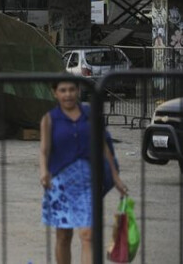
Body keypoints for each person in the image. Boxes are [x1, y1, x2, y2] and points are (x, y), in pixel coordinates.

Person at [39, 79, 127, 264]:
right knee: (63, 236)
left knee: (87, 234)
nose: (68, 94)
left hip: (88, 182)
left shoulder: (90, 115)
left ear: (78, 91)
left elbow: (103, 146)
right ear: (55, 93)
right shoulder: (49, 119)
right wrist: (44, 171)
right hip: (60, 183)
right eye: (63, 90)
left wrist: (115, 176)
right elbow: (44, 150)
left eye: (72, 89)